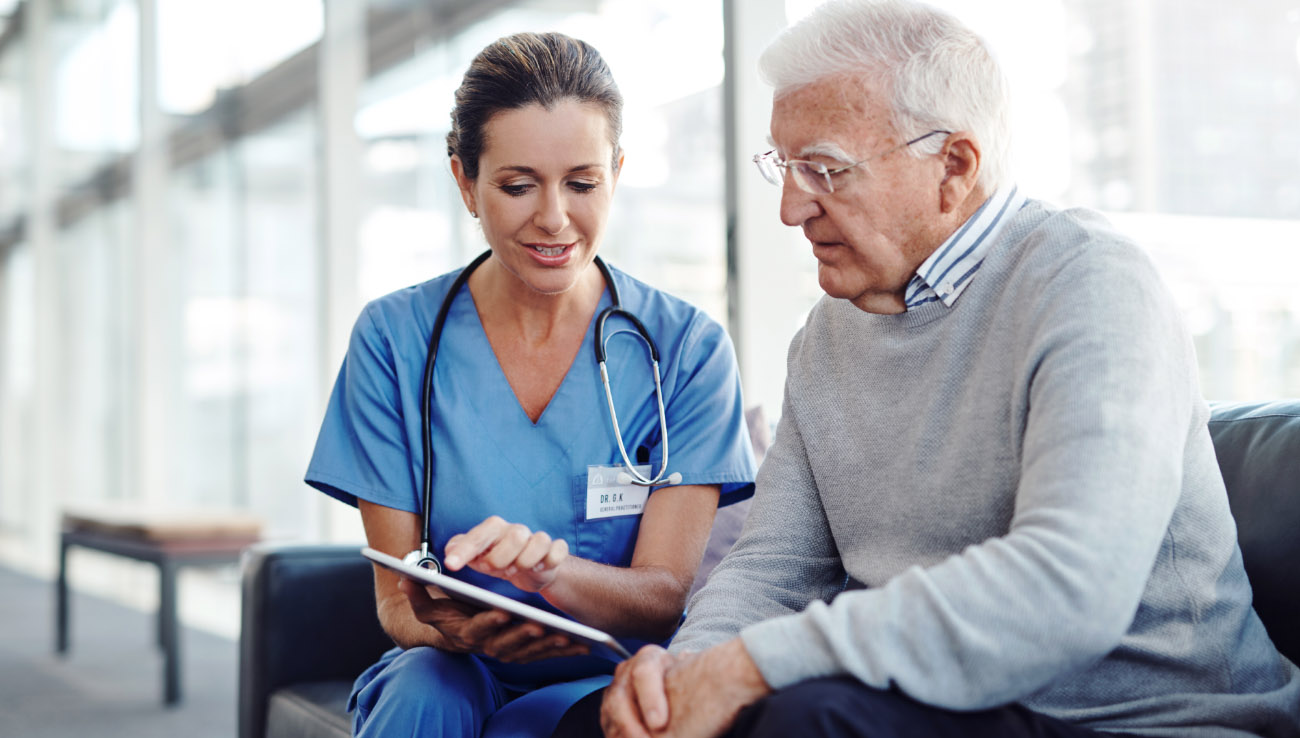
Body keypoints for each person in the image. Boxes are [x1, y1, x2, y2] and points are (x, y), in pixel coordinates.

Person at [556, 2, 1300, 737]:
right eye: (784, 167)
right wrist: (683, 683)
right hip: (928, 709)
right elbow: (771, 573)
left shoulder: (1091, 284)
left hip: (1139, 722)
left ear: (953, 167)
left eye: (822, 169)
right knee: (596, 725)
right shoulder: (826, 337)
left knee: (807, 719)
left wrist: (753, 667)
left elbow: (1070, 587)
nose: (790, 208)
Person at [305, 31, 757, 738]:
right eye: (517, 186)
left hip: (609, 669)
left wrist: (550, 577)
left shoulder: (686, 349)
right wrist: (452, 630)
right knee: (424, 691)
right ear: (465, 181)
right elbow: (396, 601)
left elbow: (663, 597)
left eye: (582, 183)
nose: (554, 218)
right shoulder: (394, 340)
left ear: (617, 171)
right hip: (452, 664)